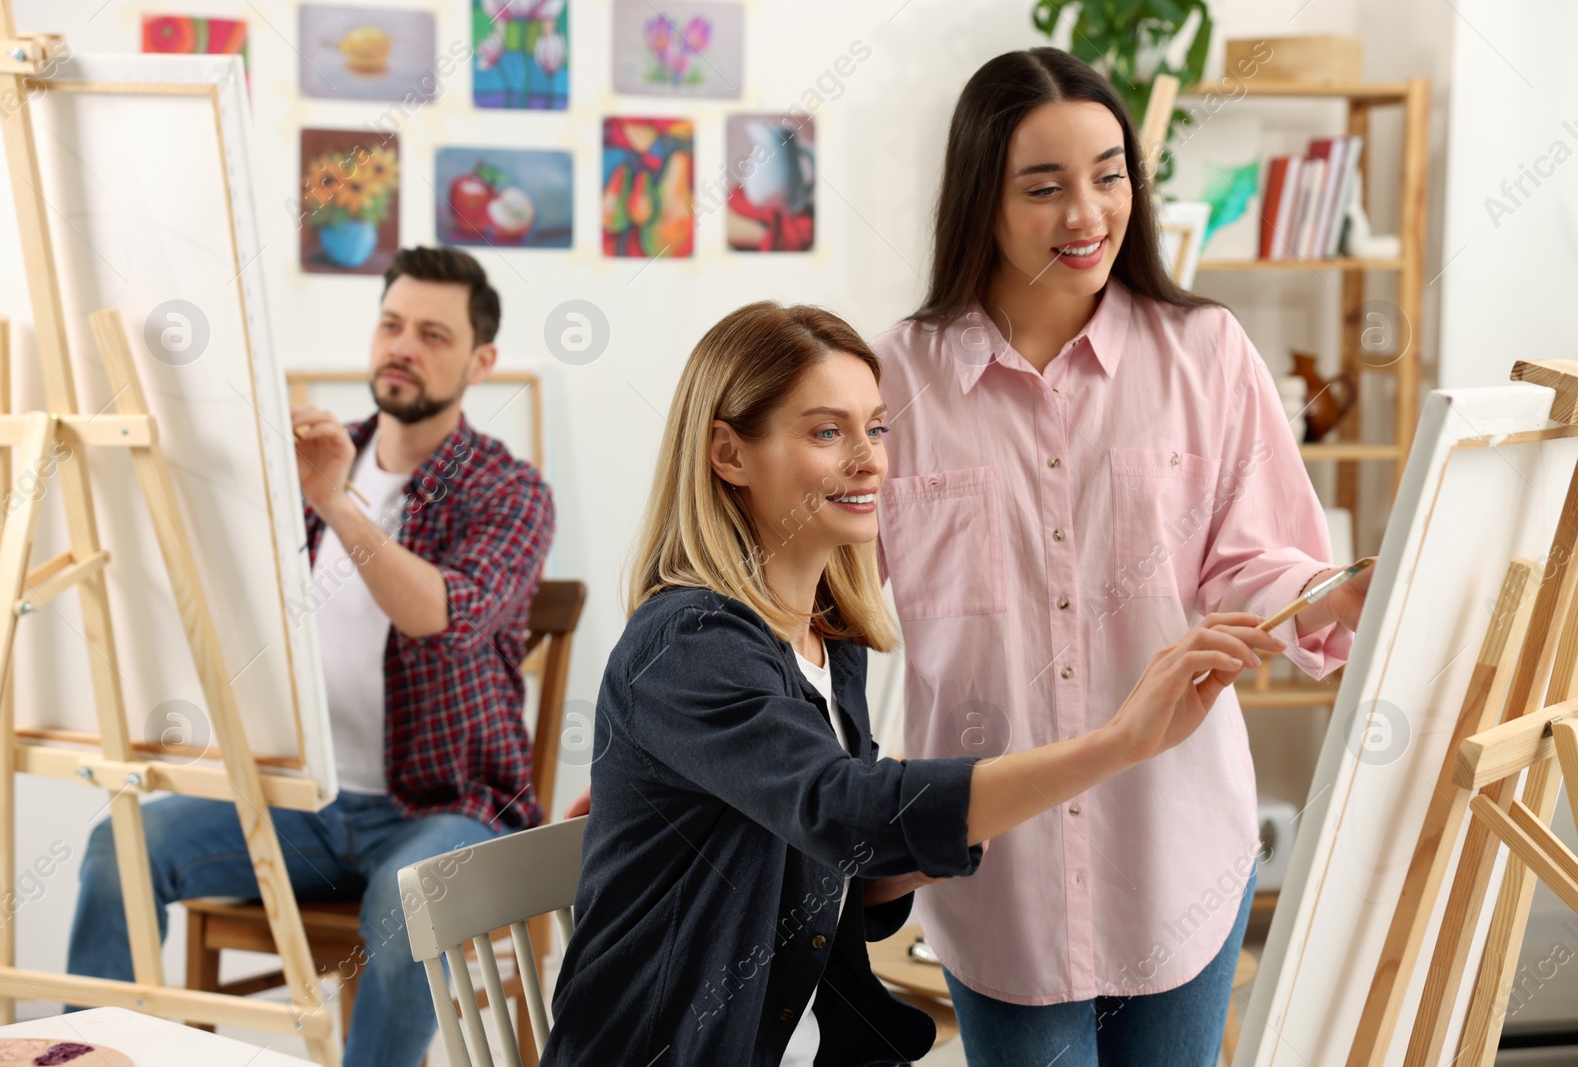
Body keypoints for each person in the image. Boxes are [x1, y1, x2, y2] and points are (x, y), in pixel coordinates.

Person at [542, 301, 1282, 1065]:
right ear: (728, 454)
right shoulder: (689, 644)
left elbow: (841, 880)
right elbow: (846, 814)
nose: (869, 459)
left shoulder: (830, 642)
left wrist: (1004, 818)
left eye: (877, 427)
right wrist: (1120, 743)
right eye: (827, 431)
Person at [869, 48, 1375, 1066]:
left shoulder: (1207, 351)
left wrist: (1340, 593)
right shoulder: (895, 375)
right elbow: (830, 597)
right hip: (996, 866)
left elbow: (1249, 560)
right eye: (1042, 186)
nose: (1085, 214)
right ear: (981, 198)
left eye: (1109, 175)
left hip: (1176, 844)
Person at [66, 246, 554, 1067]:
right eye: (391, 324)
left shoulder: (508, 490)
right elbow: (231, 602)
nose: (403, 345)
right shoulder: (303, 455)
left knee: (409, 909)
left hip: (447, 810)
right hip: (306, 805)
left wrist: (335, 500)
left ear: (481, 361)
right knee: (119, 845)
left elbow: (437, 611)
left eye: (433, 333)